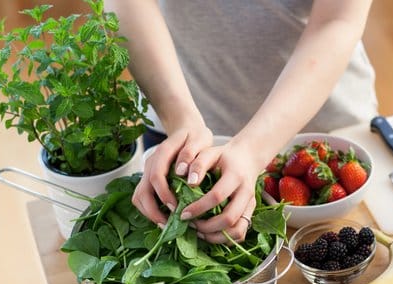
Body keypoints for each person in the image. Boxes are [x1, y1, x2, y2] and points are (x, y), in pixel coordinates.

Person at [105, 1, 378, 244]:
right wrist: (180, 119)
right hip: (179, 122)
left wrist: (253, 149)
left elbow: (338, 20)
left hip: (318, 138)